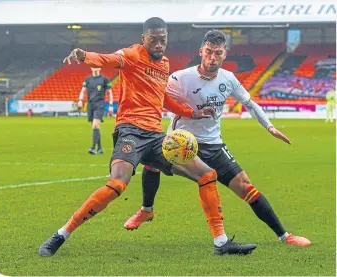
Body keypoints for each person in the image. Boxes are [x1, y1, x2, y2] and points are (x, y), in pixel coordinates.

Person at [39, 18, 257, 257]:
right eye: (153, 40)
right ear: (144, 39)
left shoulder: (164, 65)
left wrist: (191, 113)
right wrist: (85, 56)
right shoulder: (132, 54)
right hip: (130, 131)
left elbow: (162, 99)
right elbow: (109, 59)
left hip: (156, 138)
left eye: (163, 40)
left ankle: (221, 243)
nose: (159, 44)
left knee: (207, 175)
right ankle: (61, 234)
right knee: (117, 185)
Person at [124, 30, 311, 247]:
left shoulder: (228, 79)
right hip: (182, 144)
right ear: (201, 52)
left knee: (245, 185)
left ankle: (285, 236)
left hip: (213, 145)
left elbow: (250, 104)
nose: (213, 58)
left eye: (218, 53)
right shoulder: (180, 78)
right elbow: (157, 99)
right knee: (152, 162)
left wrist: (270, 127)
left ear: (225, 54)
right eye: (209, 52)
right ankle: (146, 210)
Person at [78, 67, 113, 154]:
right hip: (90, 105)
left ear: (100, 68)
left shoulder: (105, 79)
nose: (95, 68)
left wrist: (111, 105)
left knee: (95, 126)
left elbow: (109, 93)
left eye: (97, 66)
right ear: (91, 68)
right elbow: (83, 91)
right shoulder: (88, 79)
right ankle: (100, 148)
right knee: (95, 128)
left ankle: (93, 148)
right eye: (94, 67)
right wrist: (80, 100)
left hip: (99, 104)